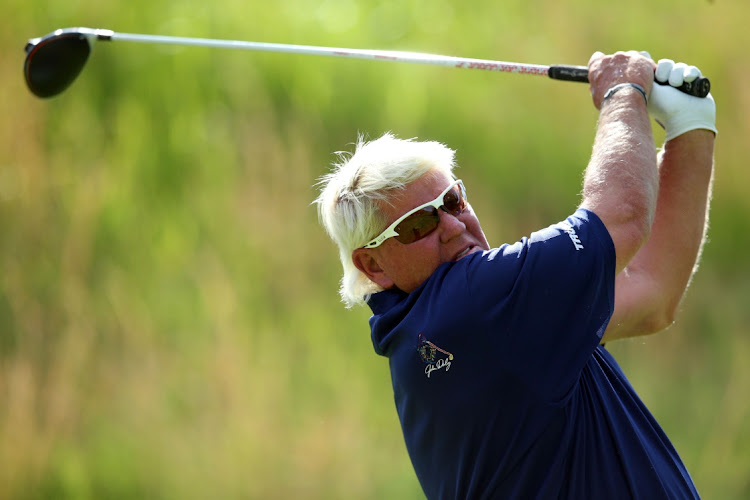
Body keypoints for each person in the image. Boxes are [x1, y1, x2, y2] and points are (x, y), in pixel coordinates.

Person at [315, 50, 716, 499]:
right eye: (417, 225)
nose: (451, 226)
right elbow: (621, 215)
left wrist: (690, 130)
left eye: (452, 201)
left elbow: (652, 297)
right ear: (373, 265)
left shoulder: (448, 329)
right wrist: (623, 91)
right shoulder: (470, 306)